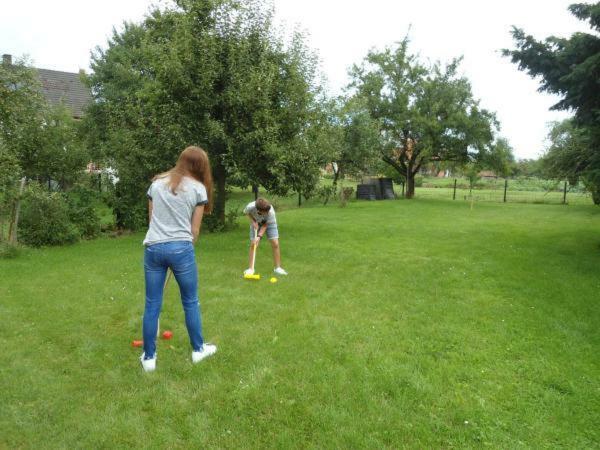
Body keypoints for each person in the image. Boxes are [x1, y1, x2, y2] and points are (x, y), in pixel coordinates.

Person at [140, 146, 217, 372]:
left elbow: (152, 220)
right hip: (181, 249)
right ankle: (198, 350)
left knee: (152, 303)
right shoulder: (199, 189)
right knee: (190, 301)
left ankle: (149, 359)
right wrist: (182, 250)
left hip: (153, 248)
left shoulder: (156, 184)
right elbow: (194, 231)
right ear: (200, 166)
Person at [243, 198, 288, 276]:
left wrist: (259, 236)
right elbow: (247, 213)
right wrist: (253, 222)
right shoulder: (250, 206)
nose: (267, 213)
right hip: (256, 222)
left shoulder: (270, 212)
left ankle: (277, 268)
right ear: (258, 210)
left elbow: (265, 225)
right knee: (253, 244)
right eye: (265, 212)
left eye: (267, 212)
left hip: (269, 223)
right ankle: (250, 269)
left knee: (275, 243)